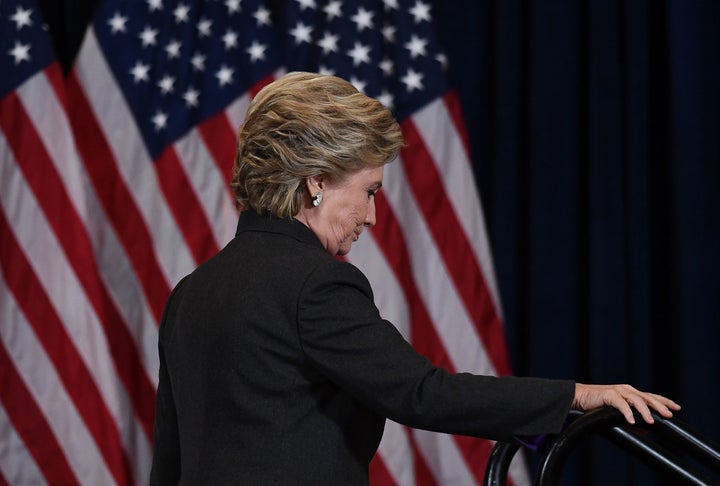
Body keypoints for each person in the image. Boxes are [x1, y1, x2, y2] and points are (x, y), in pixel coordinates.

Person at [150, 71, 680, 485]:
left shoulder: (189, 294)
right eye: (370, 192)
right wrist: (576, 396)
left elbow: (169, 465)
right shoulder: (315, 284)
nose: (373, 218)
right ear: (317, 181)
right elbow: (423, 394)